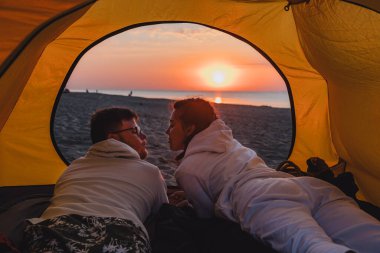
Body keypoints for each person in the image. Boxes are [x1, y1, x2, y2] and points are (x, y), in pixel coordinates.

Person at [166, 98, 380, 253]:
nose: (167, 131)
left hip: (259, 196)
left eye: (172, 124)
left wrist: (190, 203)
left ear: (190, 129)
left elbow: (206, 214)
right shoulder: (229, 142)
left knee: (309, 245)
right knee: (370, 237)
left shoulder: (188, 169)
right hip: (307, 185)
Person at [24, 107, 168, 252]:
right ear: (114, 139)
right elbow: (163, 213)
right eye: (135, 130)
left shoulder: (73, 168)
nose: (144, 136)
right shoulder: (151, 172)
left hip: (55, 228)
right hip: (118, 233)